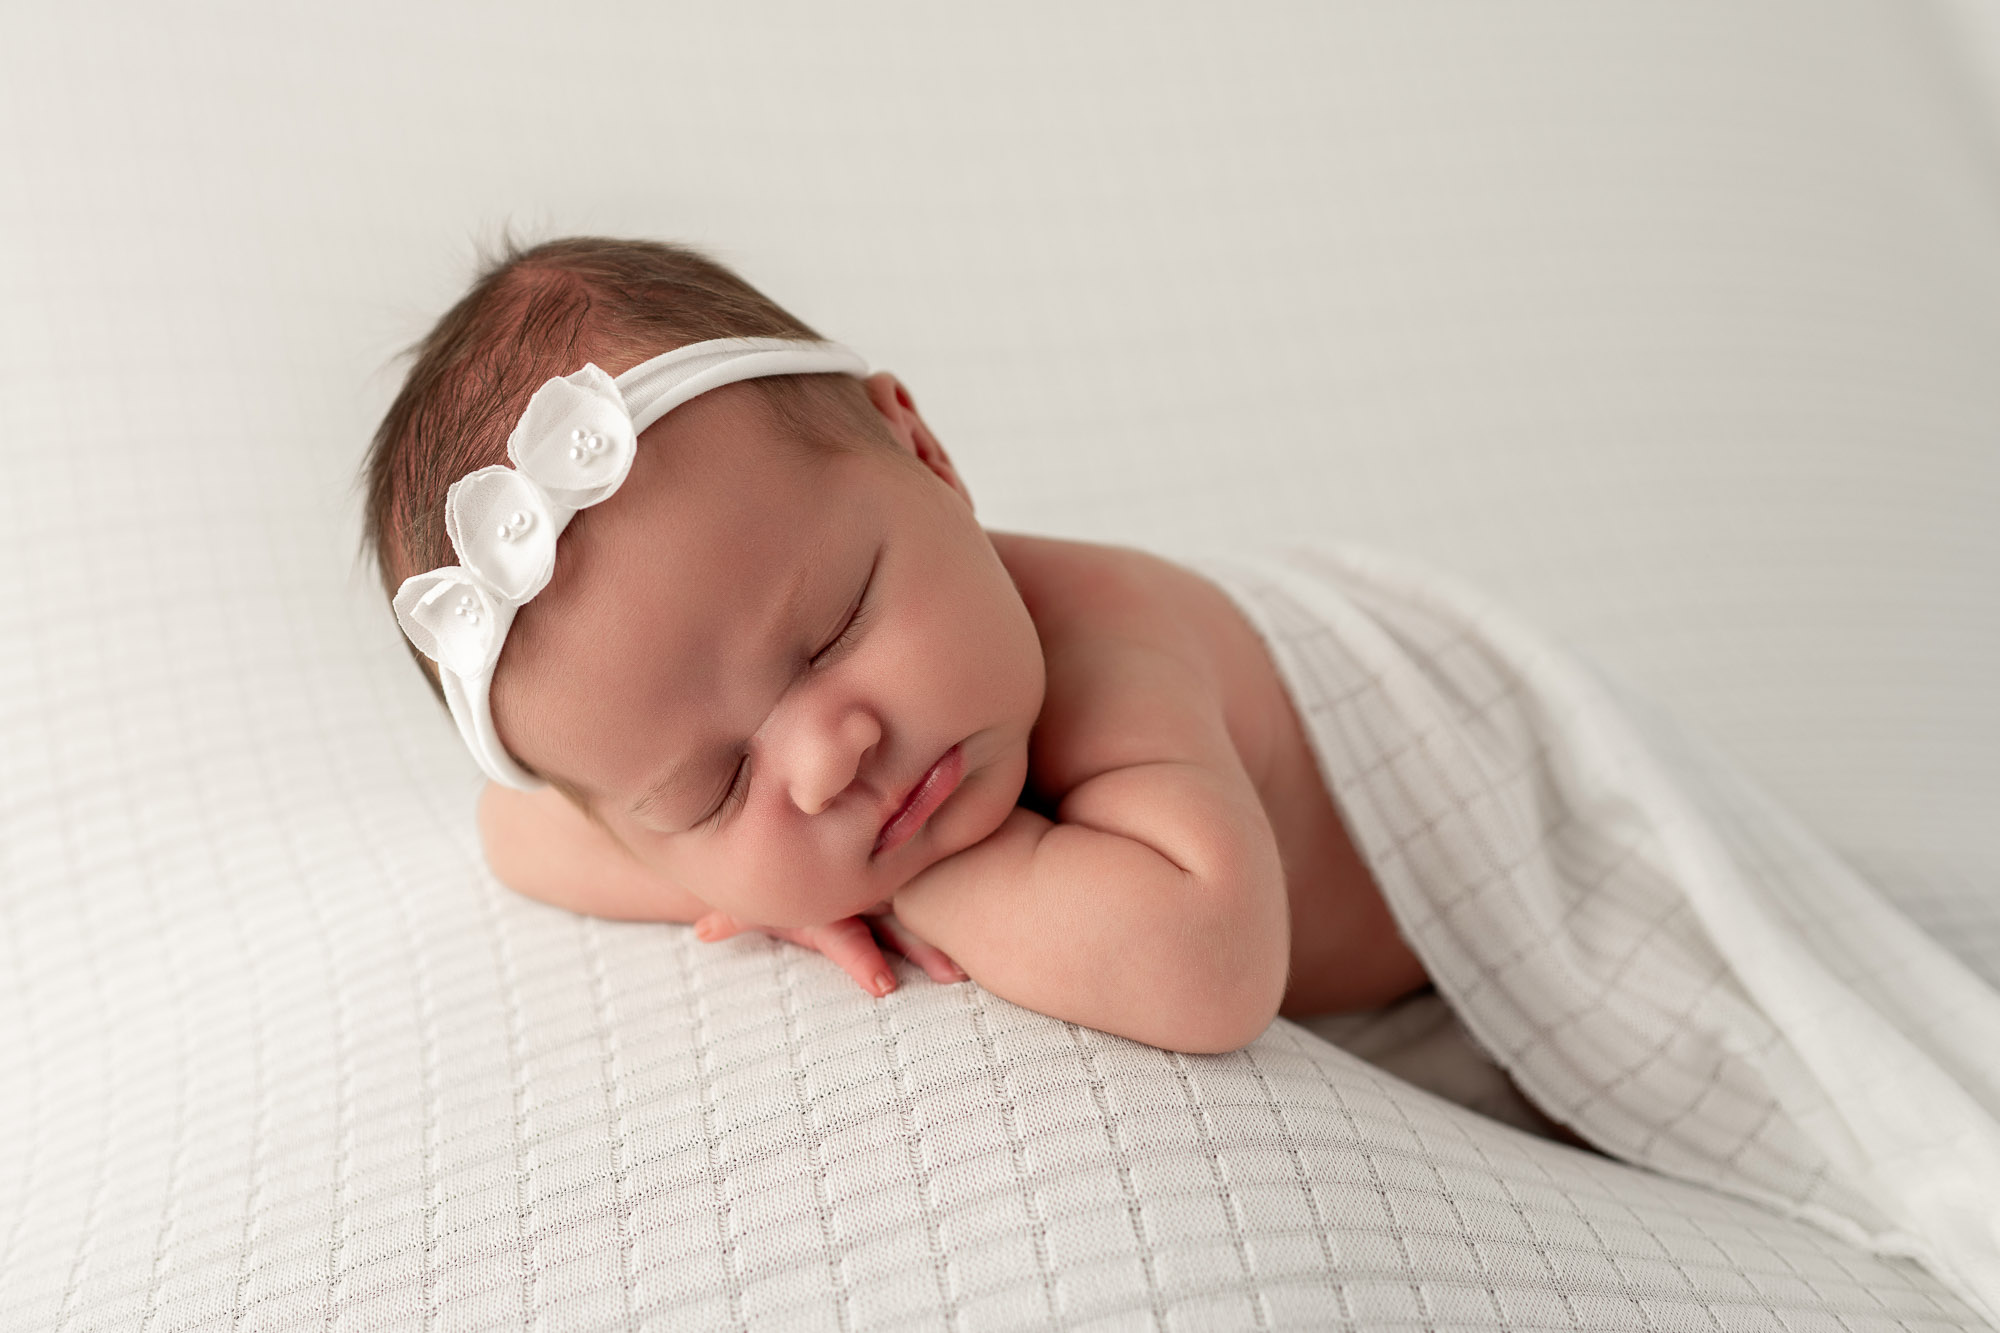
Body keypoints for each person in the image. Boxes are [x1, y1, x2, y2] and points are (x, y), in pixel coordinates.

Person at [364, 235, 1429, 1055]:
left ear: (924, 454)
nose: (827, 762)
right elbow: (518, 829)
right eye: (717, 787)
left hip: (1437, 827)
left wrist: (884, 885)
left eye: (829, 635)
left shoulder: (1111, 635)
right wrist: (764, 880)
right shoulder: (645, 754)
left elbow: (1211, 967)